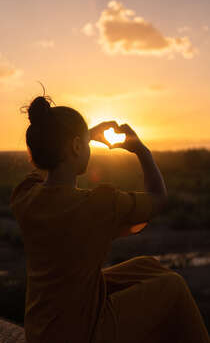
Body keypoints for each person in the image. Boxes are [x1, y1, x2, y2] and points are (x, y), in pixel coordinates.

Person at [10, 95, 210, 343]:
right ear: (75, 146)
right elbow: (159, 198)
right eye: (83, 143)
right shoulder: (98, 205)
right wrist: (141, 149)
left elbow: (45, 167)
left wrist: (80, 138)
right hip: (82, 333)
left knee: (146, 266)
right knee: (173, 286)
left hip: (42, 328)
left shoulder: (25, 197)